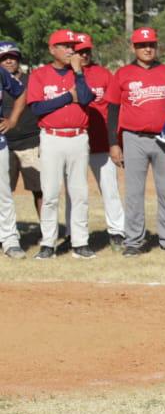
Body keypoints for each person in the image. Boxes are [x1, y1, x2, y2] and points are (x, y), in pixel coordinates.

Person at [107, 28, 165, 255]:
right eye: (141, 45)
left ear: (156, 47)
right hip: (133, 137)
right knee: (134, 192)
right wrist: (114, 143)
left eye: (150, 44)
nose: (147, 49)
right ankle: (134, 241)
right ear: (134, 48)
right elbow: (112, 109)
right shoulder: (123, 73)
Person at [26, 30, 96, 259]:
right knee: (51, 193)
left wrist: (78, 72)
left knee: (79, 193)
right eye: (65, 46)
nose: (70, 50)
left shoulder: (81, 73)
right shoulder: (39, 74)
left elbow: (85, 98)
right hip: (51, 137)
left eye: (72, 46)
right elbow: (37, 108)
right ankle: (48, 244)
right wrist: (67, 97)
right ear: (52, 49)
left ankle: (80, 242)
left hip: (78, 137)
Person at [74, 34, 126, 250]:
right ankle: (73, 234)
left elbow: (115, 108)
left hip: (101, 141)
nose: (84, 54)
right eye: (79, 51)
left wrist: (116, 141)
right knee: (74, 192)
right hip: (74, 142)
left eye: (87, 50)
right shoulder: (67, 75)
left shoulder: (103, 74)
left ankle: (117, 232)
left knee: (110, 189)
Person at [1, 45, 42, 239]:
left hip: (32, 142)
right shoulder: (1, 81)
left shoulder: (31, 80)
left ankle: (47, 232)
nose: (9, 61)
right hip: (5, 145)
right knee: (3, 192)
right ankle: (6, 234)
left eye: (12, 57)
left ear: (19, 59)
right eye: (4, 58)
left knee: (40, 190)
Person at [0, 41, 25, 257]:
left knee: (3, 194)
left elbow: (21, 93)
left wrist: (13, 120)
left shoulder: (1, 73)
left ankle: (9, 240)